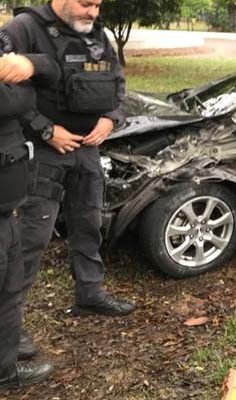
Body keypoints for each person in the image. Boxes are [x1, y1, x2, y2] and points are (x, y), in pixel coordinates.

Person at [2, 0, 136, 359]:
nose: (93, 12)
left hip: (87, 150)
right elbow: (6, 94)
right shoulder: (23, 29)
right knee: (31, 239)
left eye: (97, 4)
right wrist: (47, 131)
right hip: (42, 153)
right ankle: (9, 331)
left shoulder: (96, 34)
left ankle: (89, 293)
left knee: (89, 223)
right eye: (85, 3)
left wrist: (112, 118)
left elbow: (117, 82)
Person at [0, 32, 59, 390]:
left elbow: (51, 70)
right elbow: (11, 102)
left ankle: (4, 371)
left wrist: (28, 65)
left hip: (8, 209)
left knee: (9, 293)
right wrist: (25, 87)